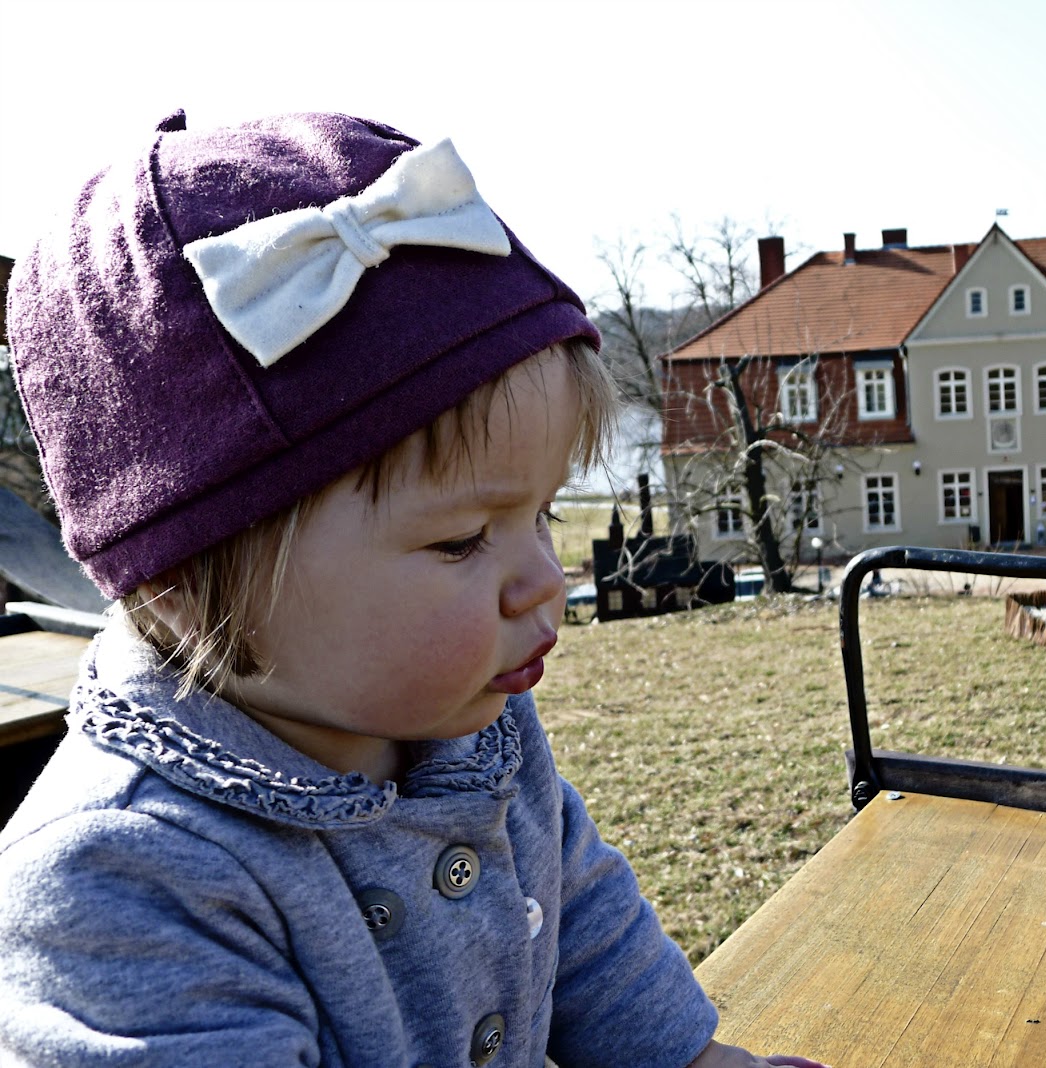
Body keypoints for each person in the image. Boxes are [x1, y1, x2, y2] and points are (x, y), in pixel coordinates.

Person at [0, 110, 827, 1068]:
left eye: (543, 514)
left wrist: (689, 1059)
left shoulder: (472, 726)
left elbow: (577, 914)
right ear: (183, 584)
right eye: (463, 540)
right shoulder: (122, 883)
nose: (545, 581)